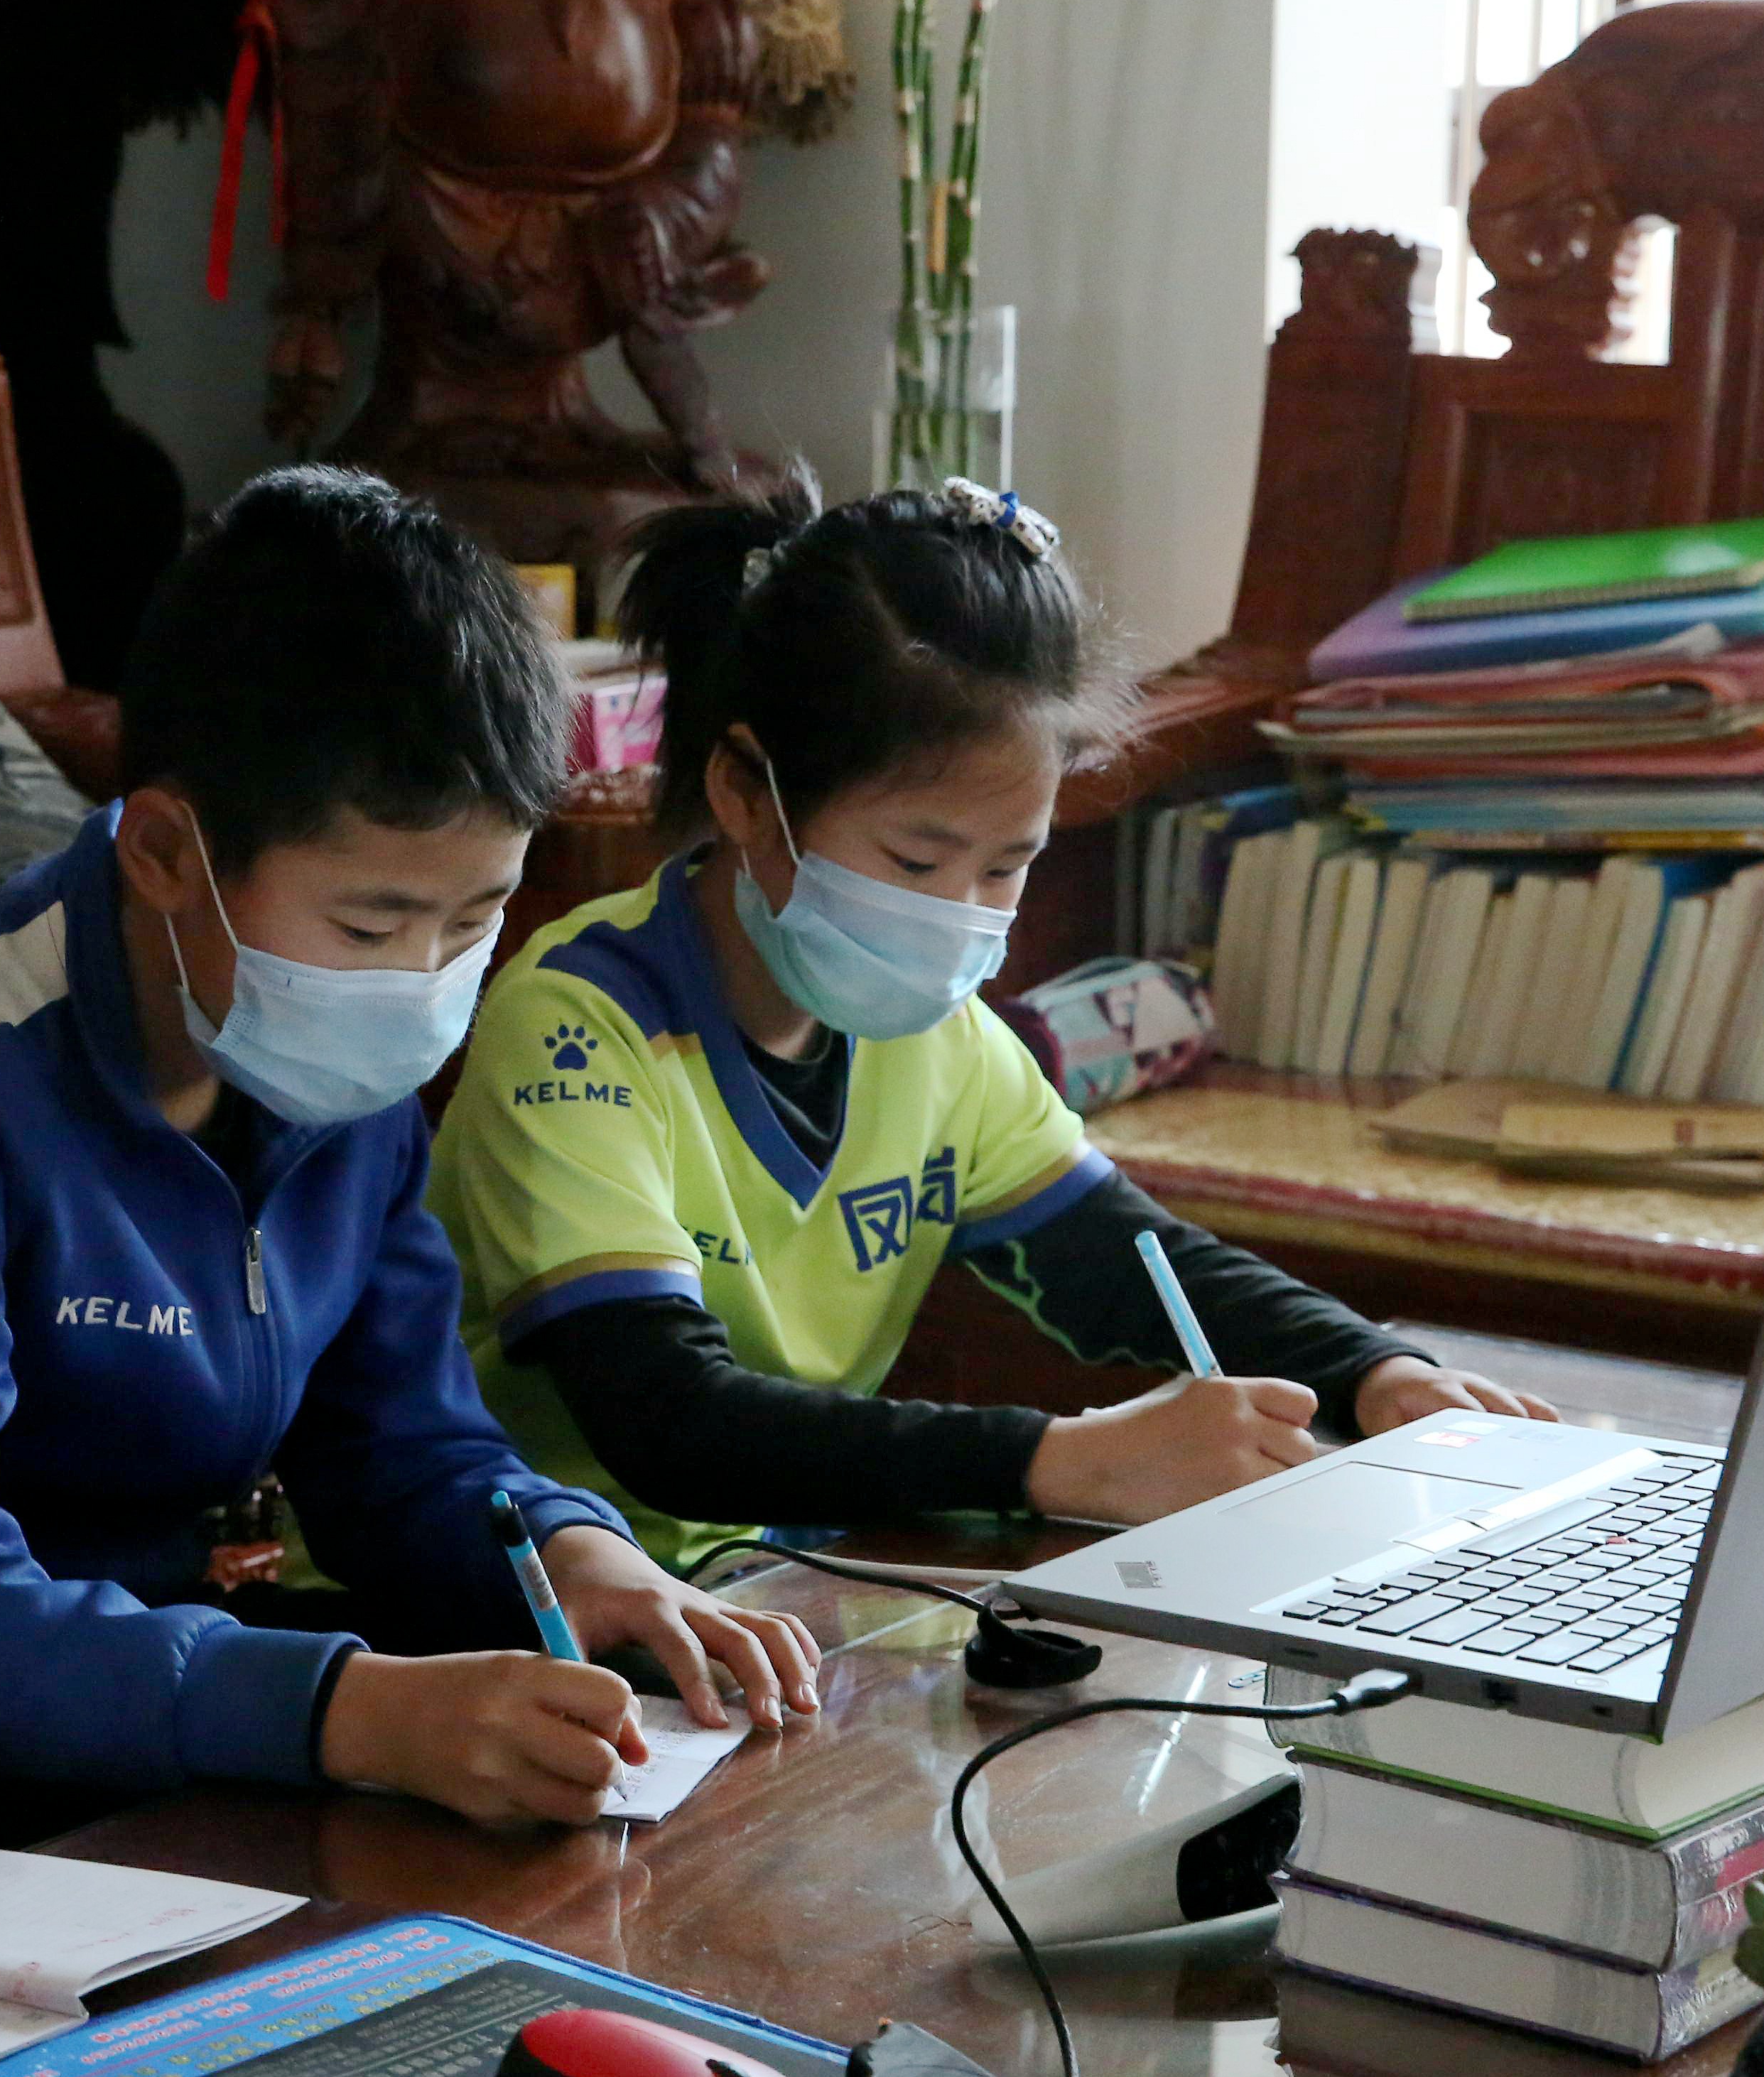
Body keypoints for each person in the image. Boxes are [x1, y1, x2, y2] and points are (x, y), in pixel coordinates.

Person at [0, 468, 819, 1844]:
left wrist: (569, 1552)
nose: (422, 982)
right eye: (371, 927)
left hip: (207, 1703)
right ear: (169, 852)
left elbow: (399, 1448)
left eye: (474, 916)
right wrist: (346, 1711)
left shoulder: (314, 1042)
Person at [428, 481, 1554, 1567]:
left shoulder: (938, 1036)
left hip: (776, 1594)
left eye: (1008, 865)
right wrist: (1062, 1461)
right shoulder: (577, 1027)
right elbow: (668, 1422)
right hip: (532, 1612)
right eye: (916, 858)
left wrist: (1369, 1370)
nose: (956, 913)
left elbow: (1127, 1258)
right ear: (743, 792)